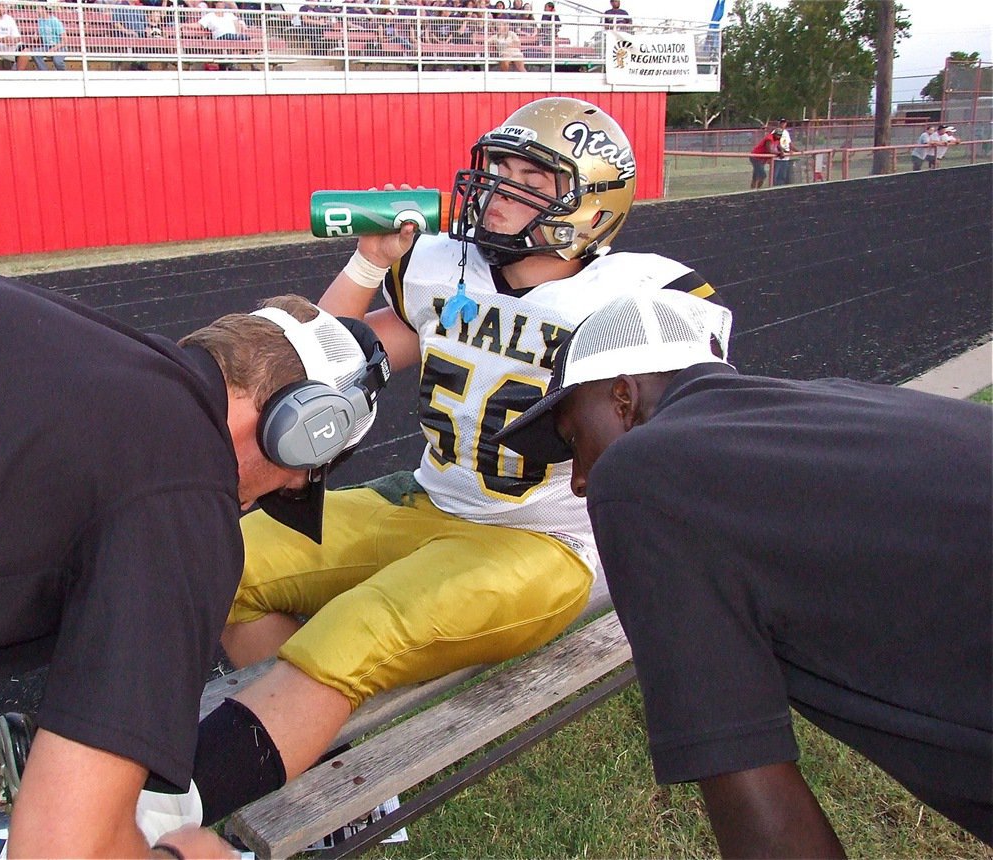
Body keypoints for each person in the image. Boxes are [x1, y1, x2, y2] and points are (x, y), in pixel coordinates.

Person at [187, 97, 724, 826]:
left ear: (592, 206)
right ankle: (329, 772)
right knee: (221, 555)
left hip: (540, 539)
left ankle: (150, 818)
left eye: (531, 175)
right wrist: (366, 262)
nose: (499, 186)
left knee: (358, 629)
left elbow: (688, 440)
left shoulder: (637, 298)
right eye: (499, 165)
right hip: (428, 499)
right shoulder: (445, 268)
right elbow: (330, 367)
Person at [0, 264, 389, 858]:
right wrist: (185, 855)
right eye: (297, 478)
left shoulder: (97, 366)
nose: (272, 496)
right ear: (299, 429)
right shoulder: (180, 493)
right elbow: (61, 849)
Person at [493, 289, 993, 855]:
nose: (579, 478)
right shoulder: (838, 404)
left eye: (572, 439)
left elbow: (754, 791)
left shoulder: (641, 474)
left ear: (623, 398)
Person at [33, 1, 66, 70]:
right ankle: (45, 72)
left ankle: (63, 74)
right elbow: (40, 30)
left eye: (38, 8)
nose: (36, 10)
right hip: (47, 46)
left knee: (57, 61)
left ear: (44, 9)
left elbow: (64, 41)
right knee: (35, 53)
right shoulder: (40, 21)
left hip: (59, 47)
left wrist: (54, 49)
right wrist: (36, 34)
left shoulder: (55, 21)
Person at [772, 117, 794, 185]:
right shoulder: (776, 131)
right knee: (776, 175)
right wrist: (783, 151)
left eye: (784, 123)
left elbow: (789, 143)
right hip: (778, 158)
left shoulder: (786, 132)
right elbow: (776, 143)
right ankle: (774, 188)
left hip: (786, 158)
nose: (783, 124)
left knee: (783, 176)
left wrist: (795, 150)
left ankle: (780, 188)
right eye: (781, 123)